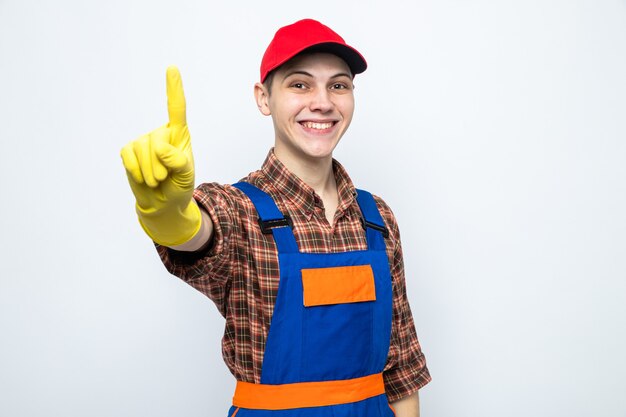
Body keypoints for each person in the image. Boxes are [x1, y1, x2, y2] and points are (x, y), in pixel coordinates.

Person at [121, 18, 430, 417]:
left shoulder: (376, 217)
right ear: (263, 97)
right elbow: (198, 232)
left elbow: (402, 370)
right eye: (299, 84)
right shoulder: (241, 211)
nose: (323, 102)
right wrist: (166, 211)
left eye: (338, 85)